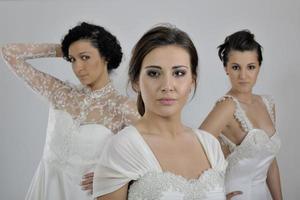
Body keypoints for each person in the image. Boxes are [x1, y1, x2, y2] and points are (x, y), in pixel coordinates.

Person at [1, 22, 139, 200]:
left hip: (85, 194)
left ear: (106, 56)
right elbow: (9, 52)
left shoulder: (123, 107)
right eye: (72, 60)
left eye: (85, 57)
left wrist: (117, 176)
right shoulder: (60, 93)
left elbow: (154, 153)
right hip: (44, 189)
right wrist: (63, 49)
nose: (77, 68)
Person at [93, 24, 227, 200]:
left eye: (179, 73)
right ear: (136, 81)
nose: (167, 86)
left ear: (192, 81)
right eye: (154, 73)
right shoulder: (123, 147)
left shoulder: (211, 146)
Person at [199, 30, 282, 200]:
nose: (243, 76)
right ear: (226, 68)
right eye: (236, 67)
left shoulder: (267, 103)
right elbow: (193, 151)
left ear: (259, 66)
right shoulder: (227, 107)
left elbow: (270, 160)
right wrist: (215, 194)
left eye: (250, 67)